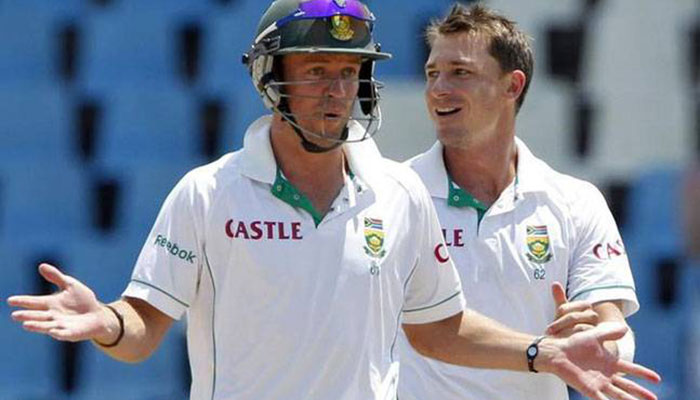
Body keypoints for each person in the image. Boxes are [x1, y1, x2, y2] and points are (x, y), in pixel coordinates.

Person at [8, 1, 659, 400]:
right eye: (317, 71)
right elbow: (142, 329)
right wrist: (107, 323)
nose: (336, 91)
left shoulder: (399, 193)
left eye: (349, 73)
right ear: (270, 80)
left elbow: (439, 328)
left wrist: (539, 353)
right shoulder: (207, 193)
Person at [399, 3, 645, 400]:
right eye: (432, 73)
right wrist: (544, 352)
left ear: (512, 86)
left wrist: (601, 343)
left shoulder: (577, 201)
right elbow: (425, 331)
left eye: (460, 72)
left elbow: (611, 323)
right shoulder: (394, 196)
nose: (438, 89)